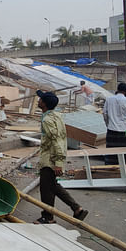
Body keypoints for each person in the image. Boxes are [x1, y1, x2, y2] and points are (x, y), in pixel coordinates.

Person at [35, 90, 88, 224]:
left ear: (44, 104)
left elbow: (56, 140)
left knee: (47, 188)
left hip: (50, 159)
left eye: (40, 99)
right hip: (53, 156)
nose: (38, 101)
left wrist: (58, 162)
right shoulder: (56, 115)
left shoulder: (47, 120)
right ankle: (76, 209)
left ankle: (49, 216)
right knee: (52, 186)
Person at [103, 83, 126, 163]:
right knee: (123, 150)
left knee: (111, 151)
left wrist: (108, 124)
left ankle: (110, 166)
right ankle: (123, 167)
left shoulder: (109, 99)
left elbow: (105, 114)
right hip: (124, 129)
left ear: (117, 89)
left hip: (111, 129)